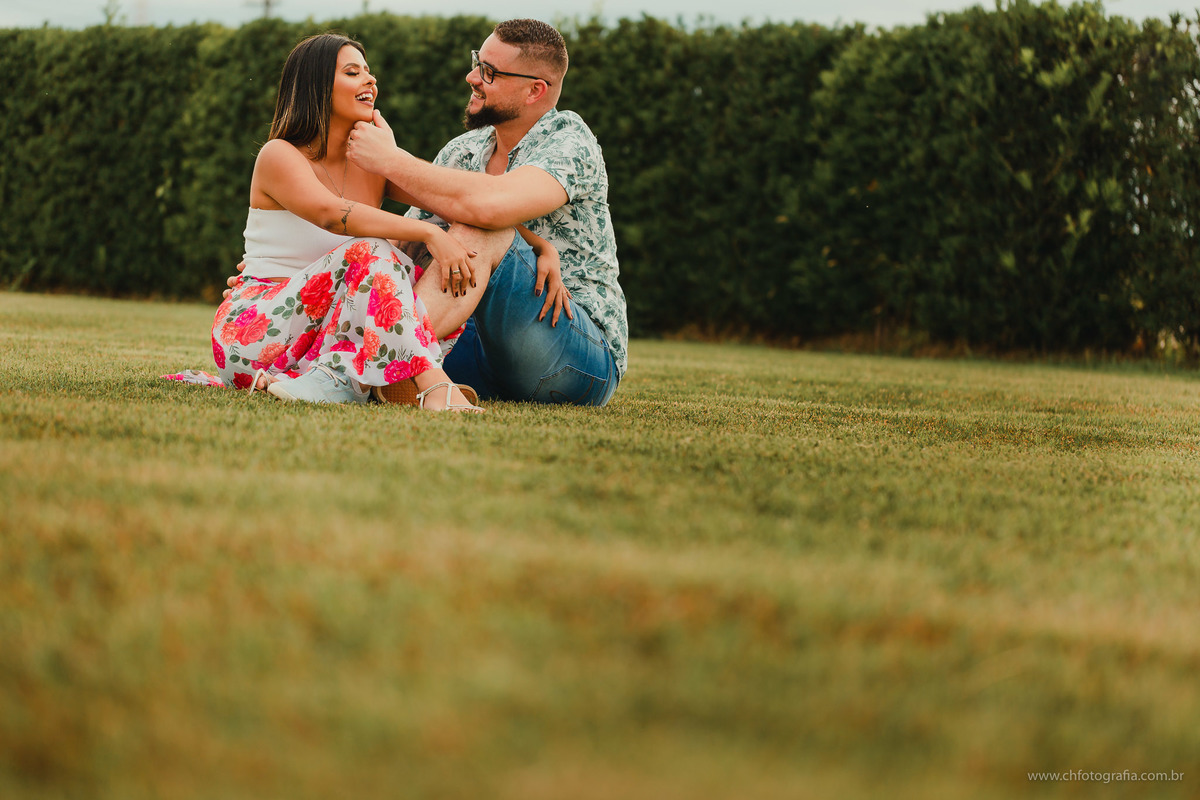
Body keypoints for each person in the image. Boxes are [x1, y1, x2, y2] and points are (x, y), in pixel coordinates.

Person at [207, 32, 540, 412]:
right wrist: (429, 232)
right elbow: (332, 215)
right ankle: (432, 384)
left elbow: (461, 205)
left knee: (441, 258)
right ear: (316, 87)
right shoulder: (279, 155)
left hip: (321, 337)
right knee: (373, 249)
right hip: (254, 334)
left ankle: (339, 379)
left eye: (369, 72)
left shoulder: (370, 165)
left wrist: (538, 245)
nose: (370, 80)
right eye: (353, 72)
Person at [346, 18, 628, 407]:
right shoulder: (463, 150)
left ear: (535, 91)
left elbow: (492, 209)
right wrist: (292, 277)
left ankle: (363, 363)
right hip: (473, 344)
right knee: (386, 250)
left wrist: (390, 161)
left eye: (489, 72)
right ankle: (343, 358)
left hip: (574, 353)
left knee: (486, 231)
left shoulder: (570, 141)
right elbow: (403, 241)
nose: (471, 77)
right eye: (478, 62)